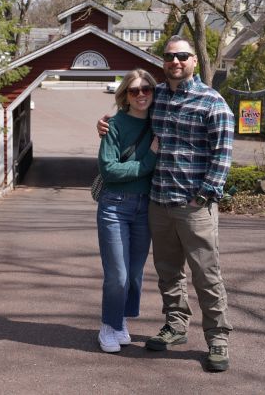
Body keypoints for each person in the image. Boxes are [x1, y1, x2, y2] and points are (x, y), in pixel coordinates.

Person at [97, 36, 234, 372]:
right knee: (169, 273)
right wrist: (105, 124)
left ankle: (217, 339)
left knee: (206, 274)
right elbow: (131, 109)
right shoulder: (157, 96)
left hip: (194, 206)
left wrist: (205, 195)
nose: (176, 61)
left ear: (194, 60)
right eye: (170, 56)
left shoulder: (212, 102)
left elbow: (223, 155)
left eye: (182, 56)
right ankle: (176, 325)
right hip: (157, 203)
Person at [95, 69, 160, 353]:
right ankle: (108, 325)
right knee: (117, 275)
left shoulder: (160, 122)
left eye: (146, 89)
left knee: (134, 273)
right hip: (114, 205)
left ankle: (120, 319)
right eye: (134, 90)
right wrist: (147, 162)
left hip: (145, 206)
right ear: (125, 95)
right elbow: (109, 170)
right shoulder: (114, 125)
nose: (141, 94)